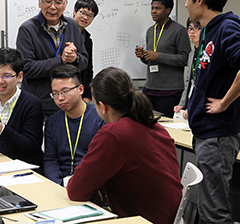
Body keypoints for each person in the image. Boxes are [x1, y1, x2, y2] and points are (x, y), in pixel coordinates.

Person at [183, 0, 240, 223]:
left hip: (217, 133)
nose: (185, 4)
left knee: (214, 212)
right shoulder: (208, 31)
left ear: (200, 0)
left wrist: (224, 102)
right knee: (208, 205)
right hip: (206, 131)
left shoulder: (227, 28)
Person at [67, 67, 182, 224]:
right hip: (166, 218)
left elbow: (76, 190)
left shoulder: (113, 134)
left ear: (103, 106)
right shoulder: (155, 127)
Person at [16, 0, 89, 117]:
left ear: (65, 5)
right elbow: (27, 68)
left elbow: (84, 61)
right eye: (47, 1)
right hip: (38, 105)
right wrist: (61, 60)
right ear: (39, 2)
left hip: (68, 103)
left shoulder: (72, 25)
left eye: (58, 2)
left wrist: (75, 58)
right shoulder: (27, 29)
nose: (53, 7)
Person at [44, 64, 104, 186]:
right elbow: (50, 160)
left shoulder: (99, 118)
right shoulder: (52, 122)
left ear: (80, 89)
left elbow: (100, 162)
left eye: (65, 91)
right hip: (60, 184)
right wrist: (58, 185)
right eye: (55, 93)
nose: (60, 98)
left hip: (89, 183)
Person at [135, 0, 190, 118]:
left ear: (168, 10)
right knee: (147, 126)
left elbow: (185, 59)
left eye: (158, 8)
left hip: (170, 92)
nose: (153, 11)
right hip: (150, 89)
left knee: (168, 130)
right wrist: (144, 56)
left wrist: (158, 56)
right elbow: (151, 60)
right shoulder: (150, 31)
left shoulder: (179, 31)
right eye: (152, 8)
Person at [174, 18, 202, 119]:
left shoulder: (206, 53)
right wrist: (182, 104)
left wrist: (194, 107)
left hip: (201, 105)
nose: (191, 31)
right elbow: (188, 82)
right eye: (189, 28)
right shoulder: (191, 54)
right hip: (191, 102)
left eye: (196, 28)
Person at [73, 0, 99, 103]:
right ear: (75, 11)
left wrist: (87, 95)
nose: (85, 18)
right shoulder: (62, 33)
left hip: (79, 90)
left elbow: (89, 69)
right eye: (82, 13)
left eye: (90, 16)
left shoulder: (87, 40)